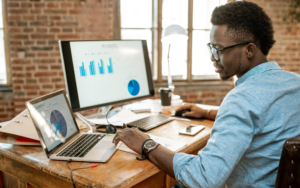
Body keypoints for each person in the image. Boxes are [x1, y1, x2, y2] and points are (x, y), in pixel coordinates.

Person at [113, 1, 300, 187]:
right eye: (211, 48)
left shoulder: (242, 99)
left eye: (219, 49)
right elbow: (266, 117)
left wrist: (147, 144)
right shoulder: (294, 83)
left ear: (249, 50)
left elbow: (203, 178)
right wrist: (207, 113)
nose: (213, 57)